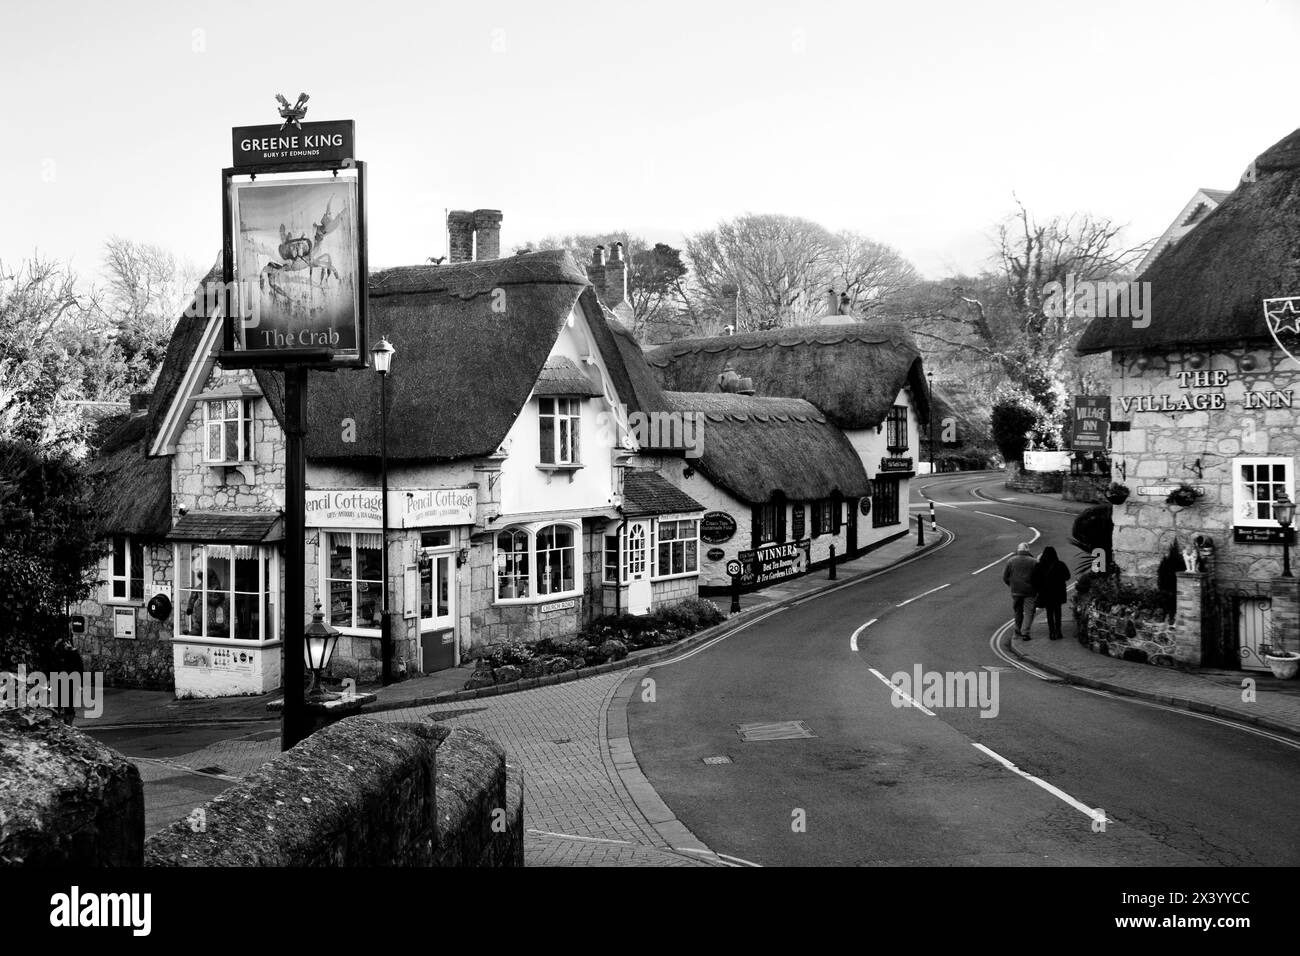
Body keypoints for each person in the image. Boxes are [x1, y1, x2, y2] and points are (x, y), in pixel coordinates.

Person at [1032, 546, 1072, 640]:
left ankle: (1051, 633)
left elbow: (1033, 580)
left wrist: (1039, 588)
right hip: (1058, 592)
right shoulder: (1060, 564)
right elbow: (1067, 576)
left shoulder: (1039, 565)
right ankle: (1058, 631)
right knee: (1058, 613)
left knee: (1049, 613)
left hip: (1046, 593)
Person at [1003, 542, 1039, 640]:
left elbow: (1005, 577)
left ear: (1018, 550)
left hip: (1016, 591)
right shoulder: (1034, 562)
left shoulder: (1010, 561)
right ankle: (1025, 633)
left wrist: (1012, 585)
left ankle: (1017, 630)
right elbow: (1038, 577)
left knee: (1018, 611)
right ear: (1028, 550)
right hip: (1030, 591)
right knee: (1029, 612)